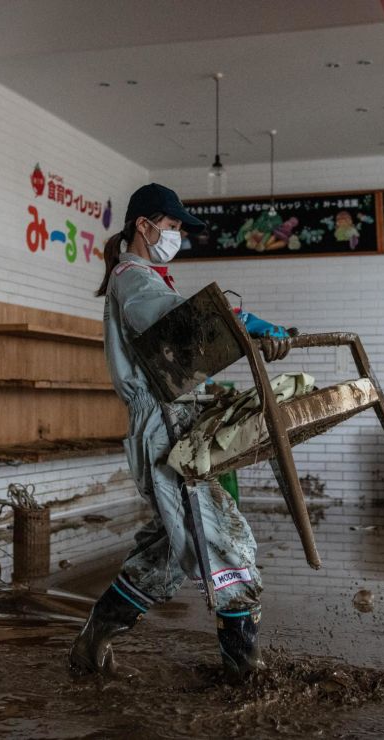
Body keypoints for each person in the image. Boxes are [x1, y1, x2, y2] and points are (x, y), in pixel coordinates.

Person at [69, 183, 290, 682]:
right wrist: (243, 323)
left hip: (177, 421)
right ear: (143, 226)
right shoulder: (132, 276)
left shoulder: (148, 276)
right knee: (225, 543)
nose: (176, 237)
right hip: (164, 427)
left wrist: (244, 339)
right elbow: (172, 323)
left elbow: (183, 351)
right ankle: (243, 670)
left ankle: (92, 642)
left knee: (168, 553)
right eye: (171, 228)